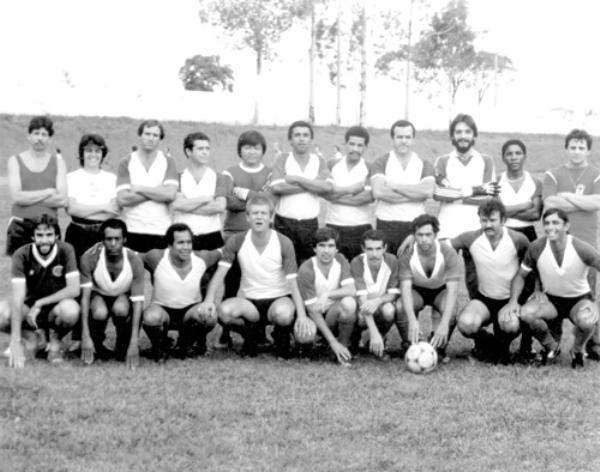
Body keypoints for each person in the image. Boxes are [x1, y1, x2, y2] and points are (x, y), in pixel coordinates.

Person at [200, 194, 313, 358]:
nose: (259, 217)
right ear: (247, 217)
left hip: (278, 298)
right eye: (254, 213)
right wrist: (209, 299)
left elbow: (293, 282)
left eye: (263, 213)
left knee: (284, 314)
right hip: (250, 301)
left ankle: (280, 338)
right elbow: (220, 274)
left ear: (271, 217)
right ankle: (251, 335)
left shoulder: (283, 242)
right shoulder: (236, 240)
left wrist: (301, 316)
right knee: (223, 312)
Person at [505, 208, 600, 368]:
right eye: (547, 223)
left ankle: (577, 349)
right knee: (526, 313)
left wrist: (596, 303)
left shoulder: (581, 248)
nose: (550, 227)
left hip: (579, 300)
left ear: (566, 226)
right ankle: (552, 347)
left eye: (556, 223)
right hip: (551, 300)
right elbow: (521, 275)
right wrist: (514, 301)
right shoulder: (536, 247)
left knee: (587, 321)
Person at [542, 129, 600, 359]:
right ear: (566, 149)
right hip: (557, 243)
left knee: (589, 295)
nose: (577, 151)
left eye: (581, 147)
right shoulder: (553, 173)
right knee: (554, 292)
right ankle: (553, 344)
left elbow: (597, 202)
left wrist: (566, 198)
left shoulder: (596, 174)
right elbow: (549, 203)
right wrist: (583, 203)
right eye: (573, 147)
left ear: (588, 150)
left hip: (586, 244)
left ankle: (591, 344)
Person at [452, 200, 529, 364]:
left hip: (509, 300)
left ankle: (503, 346)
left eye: (492, 220)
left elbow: (532, 268)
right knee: (466, 324)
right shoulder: (470, 238)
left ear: (503, 220)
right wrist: (413, 238)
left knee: (511, 326)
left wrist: (519, 301)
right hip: (484, 299)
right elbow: (442, 247)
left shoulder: (518, 240)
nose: (488, 225)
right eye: (484, 220)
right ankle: (485, 341)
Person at [3, 214, 80, 368]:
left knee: (71, 310)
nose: (44, 240)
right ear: (32, 236)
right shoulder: (21, 254)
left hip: (55, 310)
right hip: (29, 311)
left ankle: (55, 341)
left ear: (57, 235)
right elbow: (18, 298)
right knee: (2, 313)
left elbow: (74, 289)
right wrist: (15, 340)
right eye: (40, 235)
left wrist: (40, 303)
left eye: (49, 235)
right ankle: (33, 338)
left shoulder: (66, 250)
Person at [219, 130, 273, 347]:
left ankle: (259, 332)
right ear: (240, 150)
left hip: (262, 237)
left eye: (256, 147)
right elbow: (227, 201)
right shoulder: (229, 172)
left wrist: (244, 193)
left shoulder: (271, 172)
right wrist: (257, 197)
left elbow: (270, 202)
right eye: (247, 147)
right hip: (234, 233)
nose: (252, 152)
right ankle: (225, 334)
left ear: (263, 150)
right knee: (231, 284)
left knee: (260, 284)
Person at [142, 223, 222, 361]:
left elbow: (225, 251)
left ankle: (186, 345)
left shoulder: (202, 258)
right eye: (180, 243)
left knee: (209, 316)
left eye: (188, 242)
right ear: (169, 245)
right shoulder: (156, 257)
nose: (186, 247)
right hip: (162, 310)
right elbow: (130, 257)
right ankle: (159, 347)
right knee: (150, 317)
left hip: (189, 312)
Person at [497, 138, 541, 359]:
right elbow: (494, 212)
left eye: (518, 153)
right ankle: (502, 341)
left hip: (528, 234)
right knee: (505, 283)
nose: (513, 157)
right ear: (503, 157)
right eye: (509, 154)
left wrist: (506, 211)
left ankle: (526, 345)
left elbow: (535, 214)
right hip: (504, 235)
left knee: (527, 288)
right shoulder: (497, 181)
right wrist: (523, 205)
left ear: (524, 156)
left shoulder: (535, 182)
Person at [78, 219, 144, 367]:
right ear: (102, 240)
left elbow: (138, 303)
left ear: (125, 239)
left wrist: (134, 343)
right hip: (99, 296)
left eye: (117, 239)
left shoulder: (134, 259)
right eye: (109, 239)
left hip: (123, 297)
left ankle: (123, 344)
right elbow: (85, 299)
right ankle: (97, 344)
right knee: (99, 312)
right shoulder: (89, 257)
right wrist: (85, 336)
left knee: (121, 308)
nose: (113, 243)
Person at [396, 215, 460, 362]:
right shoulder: (407, 254)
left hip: (440, 290)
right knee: (400, 307)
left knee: (451, 310)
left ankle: (439, 347)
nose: (424, 239)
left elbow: (453, 291)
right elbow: (405, 288)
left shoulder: (448, 253)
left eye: (428, 234)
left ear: (436, 235)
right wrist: (412, 321)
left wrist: (444, 324)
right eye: (419, 235)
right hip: (417, 290)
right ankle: (409, 344)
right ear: (414, 235)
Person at [270, 120, 333, 264]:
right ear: (290, 140)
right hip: (284, 223)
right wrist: (313, 183)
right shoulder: (283, 159)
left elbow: (327, 187)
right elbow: (277, 187)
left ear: (311, 140)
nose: (301, 138)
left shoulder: (319, 160)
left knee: (307, 266)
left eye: (305, 135)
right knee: (282, 265)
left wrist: (297, 179)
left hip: (310, 224)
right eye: (297, 135)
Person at [370, 120, 435, 255]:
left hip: (414, 225)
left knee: (411, 270)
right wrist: (415, 193)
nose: (404, 141)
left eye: (408, 137)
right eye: (399, 137)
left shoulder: (424, 164)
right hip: (386, 224)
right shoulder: (381, 162)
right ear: (392, 139)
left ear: (413, 139)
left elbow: (428, 191)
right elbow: (378, 192)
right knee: (388, 270)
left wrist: (395, 187)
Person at [6, 116, 68, 256]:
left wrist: (27, 196)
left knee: (50, 274)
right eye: (36, 133)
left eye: (44, 134)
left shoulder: (58, 163)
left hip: (49, 228)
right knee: (19, 274)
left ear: (50, 139)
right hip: (20, 227)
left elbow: (62, 200)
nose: (40, 138)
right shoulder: (15, 161)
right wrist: (48, 191)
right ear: (29, 136)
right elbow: (17, 197)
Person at [296, 227, 357, 366]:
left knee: (349, 303)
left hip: (332, 313)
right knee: (304, 336)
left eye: (331, 246)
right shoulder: (307, 269)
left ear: (337, 249)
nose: (326, 250)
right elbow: (312, 311)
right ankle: (318, 345)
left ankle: (343, 346)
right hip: (313, 315)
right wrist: (332, 341)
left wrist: (327, 294)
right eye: (321, 245)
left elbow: (351, 290)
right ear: (314, 249)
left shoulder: (340, 260)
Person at [116, 119, 178, 253]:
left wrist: (139, 188)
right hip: (132, 229)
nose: (151, 138)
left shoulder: (168, 162)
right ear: (140, 135)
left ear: (160, 139)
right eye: (147, 134)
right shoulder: (126, 162)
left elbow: (170, 194)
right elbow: (122, 199)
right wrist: (158, 191)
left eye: (155, 135)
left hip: (161, 230)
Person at [434, 114, 499, 240]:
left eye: (467, 132)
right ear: (452, 136)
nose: (463, 136)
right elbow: (439, 194)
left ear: (474, 135)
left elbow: (488, 198)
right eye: (458, 132)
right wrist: (476, 190)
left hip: (477, 227)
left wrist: (453, 195)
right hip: (447, 226)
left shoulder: (486, 161)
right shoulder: (442, 161)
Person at [323, 125, 374, 261]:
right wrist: (351, 190)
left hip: (360, 227)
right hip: (333, 225)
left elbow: (366, 198)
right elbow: (325, 193)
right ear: (345, 144)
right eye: (352, 144)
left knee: (358, 272)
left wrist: (335, 197)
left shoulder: (370, 168)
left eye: (360, 145)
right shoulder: (331, 164)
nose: (355, 149)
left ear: (365, 147)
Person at [65, 134, 119, 261]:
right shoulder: (71, 177)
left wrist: (83, 210)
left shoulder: (111, 179)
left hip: (104, 233)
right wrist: (104, 207)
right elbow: (72, 209)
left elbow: (114, 211)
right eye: (88, 150)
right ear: (82, 153)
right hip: (77, 233)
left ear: (103, 153)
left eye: (97, 151)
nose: (93, 155)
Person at [172, 132, 227, 251]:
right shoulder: (178, 177)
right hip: (184, 237)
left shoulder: (219, 177)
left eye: (207, 148)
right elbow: (177, 204)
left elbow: (219, 207)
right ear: (188, 151)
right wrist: (204, 199)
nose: (205, 152)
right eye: (200, 148)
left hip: (212, 236)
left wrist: (187, 205)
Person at [350, 230, 400, 359]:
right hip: (362, 306)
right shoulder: (357, 262)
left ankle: (380, 339)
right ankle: (354, 341)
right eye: (370, 249)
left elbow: (392, 295)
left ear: (385, 248)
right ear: (363, 248)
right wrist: (373, 332)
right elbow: (362, 300)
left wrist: (378, 301)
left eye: (378, 249)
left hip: (380, 304)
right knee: (360, 318)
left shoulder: (392, 260)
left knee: (389, 311)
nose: (374, 254)